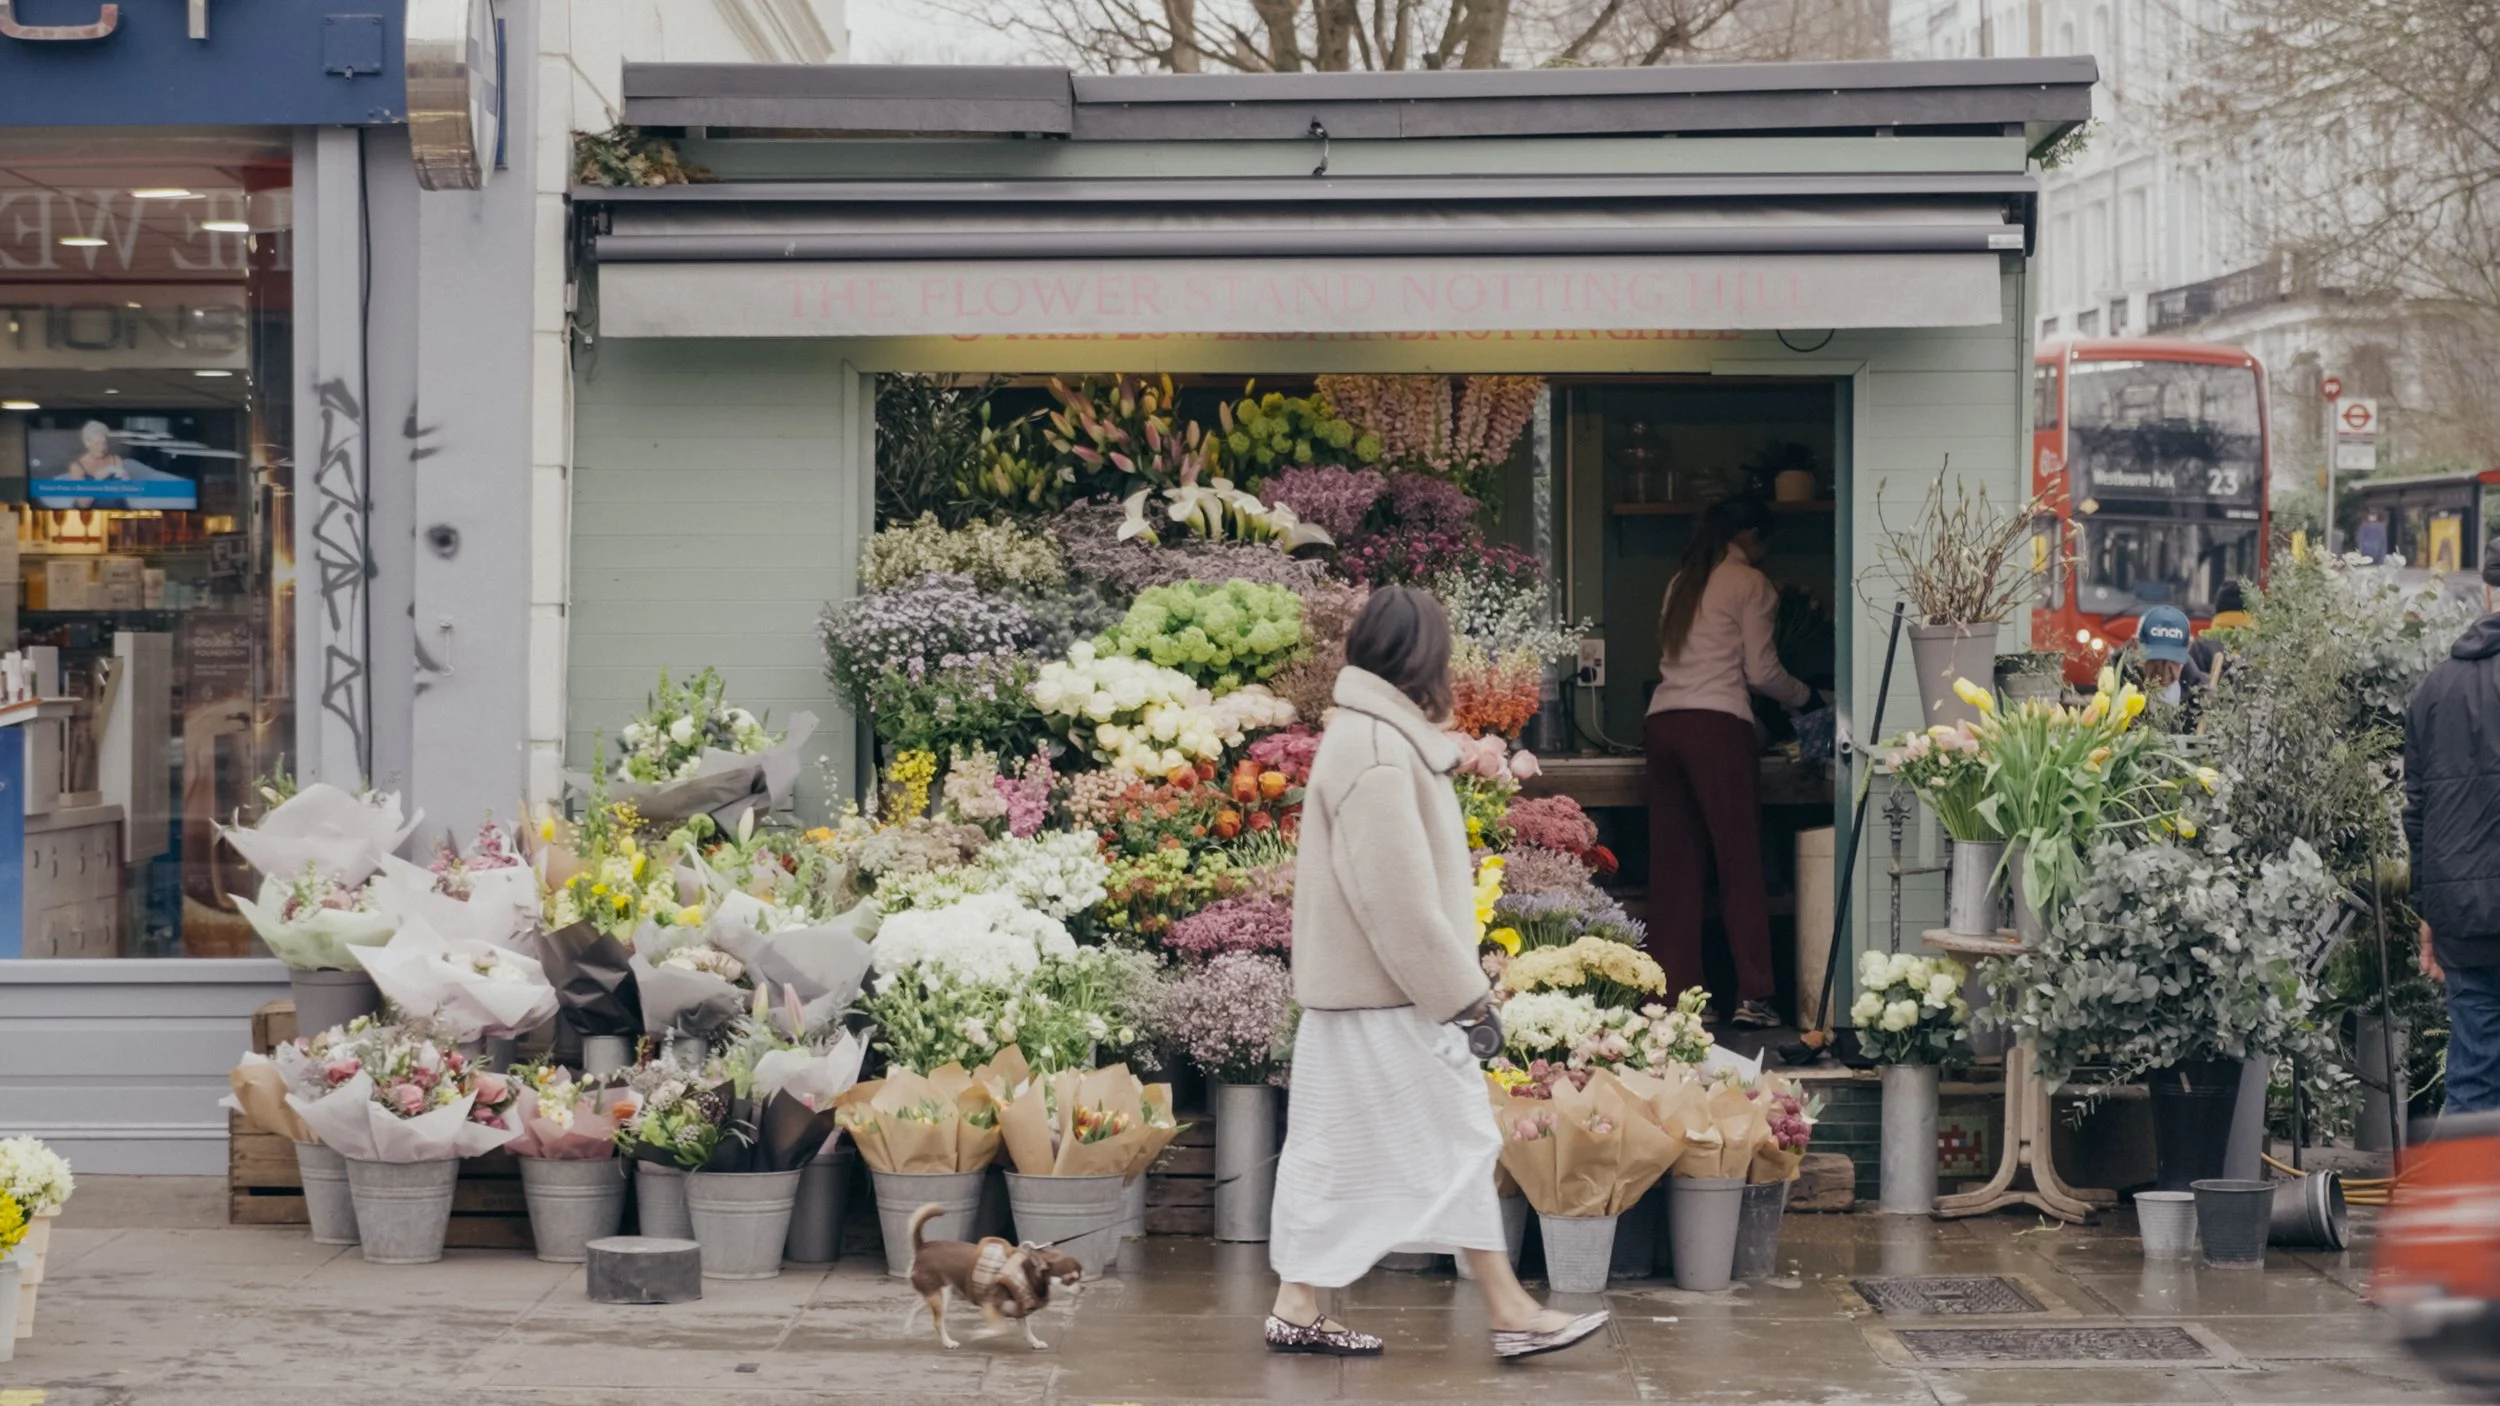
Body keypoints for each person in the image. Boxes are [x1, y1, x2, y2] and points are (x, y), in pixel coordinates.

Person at [1268, 585, 1609, 1361]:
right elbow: (1398, 907)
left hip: (1354, 1001)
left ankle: (1297, 1302)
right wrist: (1464, 1001)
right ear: (1422, 657)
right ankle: (1509, 1307)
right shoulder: (1383, 752)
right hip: (1391, 1002)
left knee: (1332, 1149)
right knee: (1457, 1142)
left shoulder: (1369, 739)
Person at [1646, 496, 1817, 1029]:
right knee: (1740, 863)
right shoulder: (1749, 583)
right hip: (1716, 727)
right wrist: (1809, 698)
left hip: (1662, 724)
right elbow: (1763, 671)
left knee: (1676, 868)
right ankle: (1755, 996)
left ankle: (1676, 1000)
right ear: (1751, 536)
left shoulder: (1683, 582)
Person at [2401, 540, 2500, 1116]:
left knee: (2474, 1080)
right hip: (2462, 914)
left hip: (2463, 917)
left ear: (2486, 593)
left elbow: (2419, 815)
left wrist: (2428, 914)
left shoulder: (2436, 688)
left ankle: (2472, 1203)